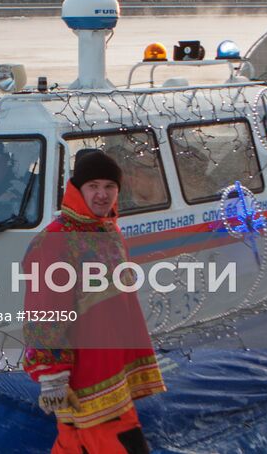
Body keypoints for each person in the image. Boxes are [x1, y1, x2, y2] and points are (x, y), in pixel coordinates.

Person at [22, 150, 166, 454]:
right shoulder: (56, 240)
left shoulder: (108, 229)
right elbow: (44, 309)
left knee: (75, 443)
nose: (102, 194)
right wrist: (52, 376)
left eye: (109, 187)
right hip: (84, 378)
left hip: (112, 373)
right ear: (77, 189)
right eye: (93, 186)